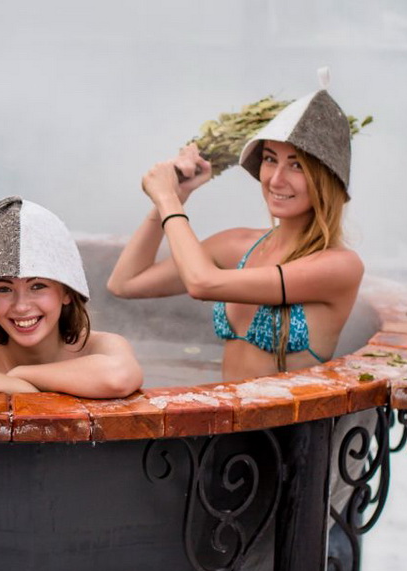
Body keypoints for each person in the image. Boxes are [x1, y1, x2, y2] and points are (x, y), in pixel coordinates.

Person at [107, 88, 364, 381]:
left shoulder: (338, 266)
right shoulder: (238, 246)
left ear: (326, 178)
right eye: (270, 159)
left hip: (286, 413)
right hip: (226, 411)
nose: (276, 179)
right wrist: (175, 195)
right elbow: (125, 283)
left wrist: (167, 199)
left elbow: (202, 283)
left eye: (296, 165)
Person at [0, 196, 143, 398]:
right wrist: (13, 386)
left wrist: (22, 373)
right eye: (4, 289)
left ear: (67, 293)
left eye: (38, 286)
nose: (21, 306)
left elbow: (118, 377)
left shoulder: (97, 346)